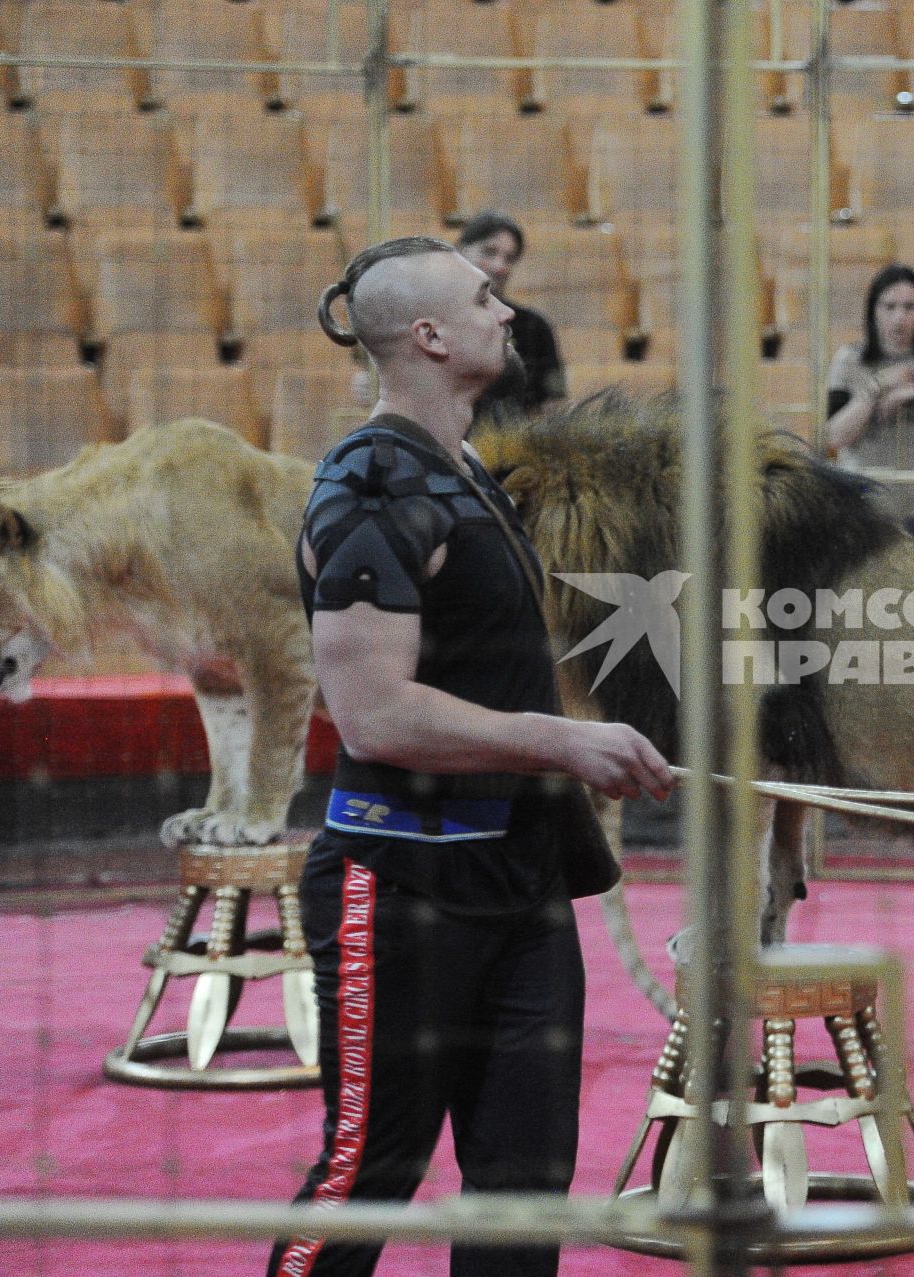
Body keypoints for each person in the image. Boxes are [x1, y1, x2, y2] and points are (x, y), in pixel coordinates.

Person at [270, 235, 673, 1277]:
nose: (508, 312)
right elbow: (374, 716)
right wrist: (558, 740)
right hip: (399, 883)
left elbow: (492, 669)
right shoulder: (366, 484)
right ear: (430, 335)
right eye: (486, 297)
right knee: (368, 1173)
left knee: (524, 1194)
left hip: (523, 879)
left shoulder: (468, 473)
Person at [824, 263, 914, 559]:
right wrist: (877, 388)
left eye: (909, 307)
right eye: (889, 307)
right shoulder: (848, 361)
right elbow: (835, 435)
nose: (899, 318)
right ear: (873, 311)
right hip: (866, 506)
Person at [458, 211, 567, 421]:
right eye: (489, 252)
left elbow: (554, 403)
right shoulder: (437, 319)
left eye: (509, 258)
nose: (500, 267)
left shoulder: (536, 326)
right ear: (461, 251)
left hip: (513, 444)